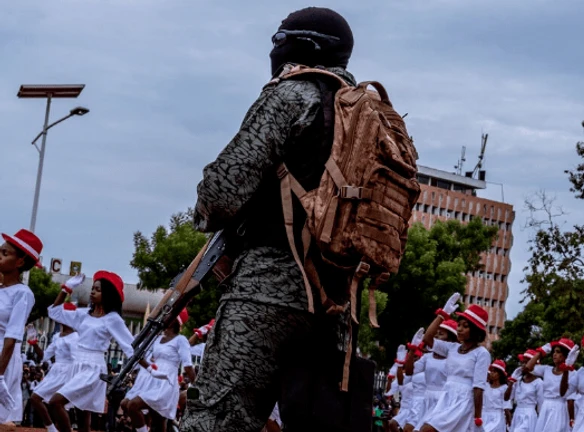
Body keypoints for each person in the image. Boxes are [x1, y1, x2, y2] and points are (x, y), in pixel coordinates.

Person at [181, 7, 359, 432]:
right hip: (336, 302)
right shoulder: (362, 113)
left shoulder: (292, 94)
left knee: (217, 420)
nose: (273, 51)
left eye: (279, 40)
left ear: (303, 46)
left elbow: (222, 192)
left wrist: (205, 214)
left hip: (267, 288)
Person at [46, 271, 137, 432]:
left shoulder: (113, 318)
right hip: (77, 364)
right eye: (92, 288)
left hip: (93, 367)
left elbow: (129, 346)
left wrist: (141, 369)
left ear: (107, 294)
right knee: (82, 416)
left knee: (55, 402)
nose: (92, 291)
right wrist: (66, 288)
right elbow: (54, 312)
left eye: (98, 289)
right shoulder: (83, 314)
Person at [417, 294, 492, 432]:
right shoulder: (451, 348)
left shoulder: (481, 353)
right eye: (459, 325)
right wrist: (443, 315)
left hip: (463, 401)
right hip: (446, 396)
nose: (459, 329)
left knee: (426, 430)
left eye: (465, 326)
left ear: (475, 331)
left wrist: (477, 417)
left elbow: (478, 387)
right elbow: (427, 338)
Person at [124, 309, 196, 432]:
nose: (163, 317)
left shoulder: (181, 340)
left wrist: (198, 387)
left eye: (168, 315)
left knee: (133, 405)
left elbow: (188, 366)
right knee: (130, 406)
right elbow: (143, 355)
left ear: (174, 321)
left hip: (166, 383)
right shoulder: (157, 339)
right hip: (152, 380)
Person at [0, 229, 42, 426]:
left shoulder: (23, 293)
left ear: (19, 262)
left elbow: (12, 336)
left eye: (4, 253)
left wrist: (0, 375)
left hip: (3, 356)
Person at [29, 302, 81, 432]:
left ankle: (55, 429)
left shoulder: (74, 337)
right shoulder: (57, 336)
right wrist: (34, 344)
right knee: (39, 400)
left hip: (67, 372)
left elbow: (77, 360)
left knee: (53, 403)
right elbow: (44, 356)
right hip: (56, 371)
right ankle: (53, 429)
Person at [525, 338, 576, 432]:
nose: (554, 354)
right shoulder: (547, 369)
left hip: (560, 407)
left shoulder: (572, 373)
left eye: (558, 352)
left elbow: (570, 399)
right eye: (554, 351)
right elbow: (528, 367)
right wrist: (540, 352)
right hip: (546, 406)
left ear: (566, 355)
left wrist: (572, 419)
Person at [511, 350, 544, 432]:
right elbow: (509, 397)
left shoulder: (539, 383)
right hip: (517, 412)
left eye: (526, 363)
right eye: (522, 363)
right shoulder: (518, 380)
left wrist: (541, 422)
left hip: (529, 415)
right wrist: (512, 380)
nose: (523, 365)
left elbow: (541, 404)